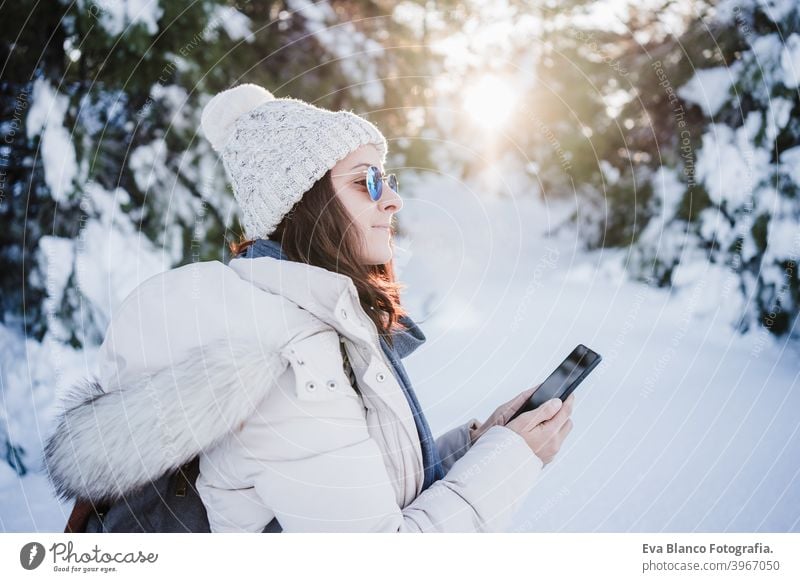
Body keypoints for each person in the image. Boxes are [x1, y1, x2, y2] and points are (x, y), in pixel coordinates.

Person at [43, 84, 575, 532]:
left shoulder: (310, 317)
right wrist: (511, 462)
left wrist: (483, 444)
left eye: (388, 179)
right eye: (367, 180)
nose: (392, 199)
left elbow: (366, 486)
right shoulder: (293, 355)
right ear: (305, 205)